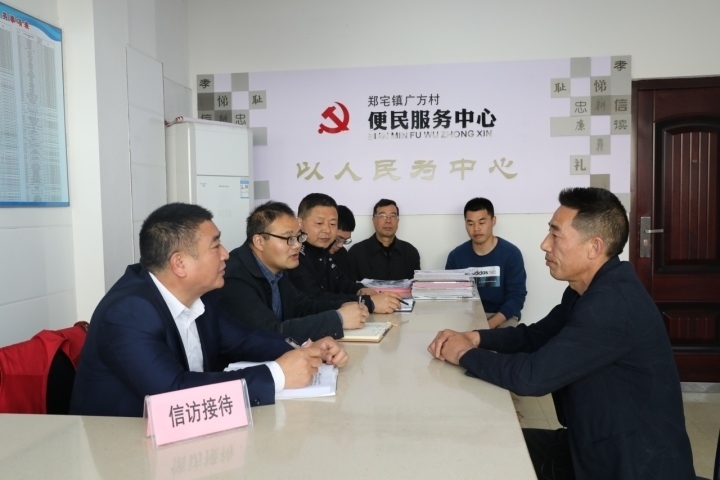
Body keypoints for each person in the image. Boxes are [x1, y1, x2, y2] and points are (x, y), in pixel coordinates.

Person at [428, 188, 695, 480]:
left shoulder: (611, 306)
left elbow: (531, 377)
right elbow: (534, 337)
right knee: (480, 446)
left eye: (556, 234)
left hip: (629, 464)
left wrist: (463, 353)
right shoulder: (586, 290)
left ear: (594, 247)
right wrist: (476, 337)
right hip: (590, 444)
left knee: (485, 461)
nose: (544, 244)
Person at [70, 203, 348, 418]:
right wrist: (278, 375)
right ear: (179, 263)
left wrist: (305, 348)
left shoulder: (203, 297)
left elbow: (244, 339)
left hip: (183, 436)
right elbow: (172, 392)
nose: (226, 254)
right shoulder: (128, 312)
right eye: (215, 246)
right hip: (122, 443)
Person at [218, 201, 368, 342]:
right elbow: (269, 332)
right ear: (259, 242)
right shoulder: (234, 277)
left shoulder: (277, 268)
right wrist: (338, 319)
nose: (297, 245)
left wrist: (348, 306)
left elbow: (302, 307)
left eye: (298, 237)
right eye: (289, 238)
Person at [289, 193, 402, 313]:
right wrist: (367, 302)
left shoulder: (323, 251)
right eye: (319, 223)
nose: (327, 230)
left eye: (333, 224)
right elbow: (315, 299)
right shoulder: (294, 254)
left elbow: (341, 282)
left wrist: (360, 290)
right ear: (300, 223)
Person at [445, 197, 527, 328]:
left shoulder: (511, 254)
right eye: (470, 224)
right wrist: (476, 321)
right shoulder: (456, 256)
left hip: (503, 316)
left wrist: (488, 325)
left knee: (504, 339)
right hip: (468, 317)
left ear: (493, 221)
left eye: (482, 222)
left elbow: (517, 296)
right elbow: (453, 297)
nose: (476, 229)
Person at [347, 198, 421, 281]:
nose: (388, 221)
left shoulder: (410, 252)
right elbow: (350, 286)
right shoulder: (356, 253)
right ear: (373, 220)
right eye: (382, 216)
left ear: (398, 221)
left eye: (393, 216)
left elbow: (417, 286)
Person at [328, 205, 355, 277]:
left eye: (345, 241)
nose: (340, 245)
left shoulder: (342, 253)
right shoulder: (306, 255)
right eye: (337, 239)